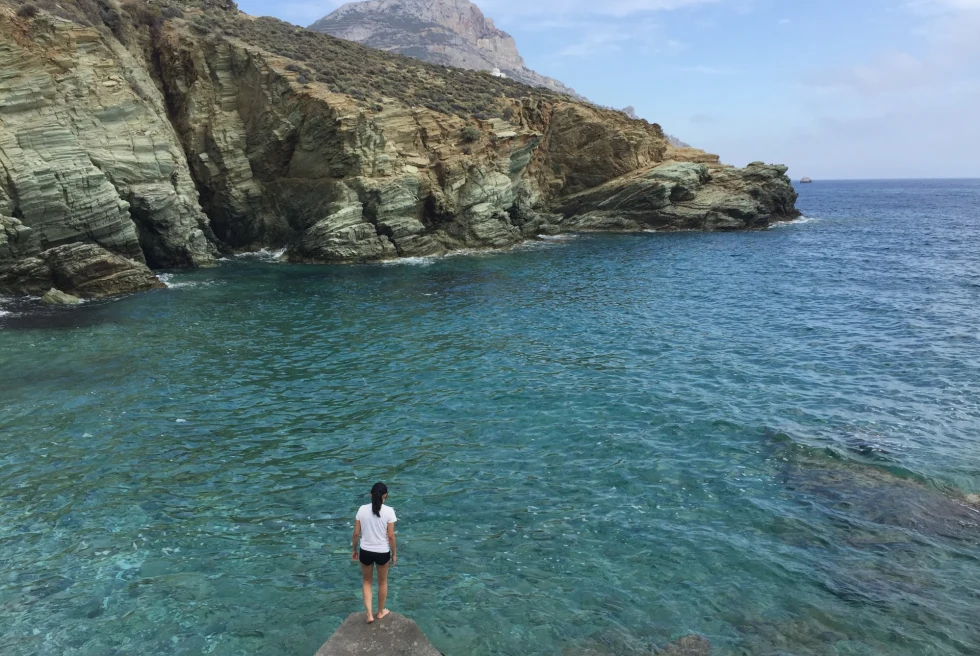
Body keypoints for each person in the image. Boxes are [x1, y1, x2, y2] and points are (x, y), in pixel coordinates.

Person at [351, 482, 397, 623]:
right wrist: (394, 553)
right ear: (385, 496)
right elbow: (390, 536)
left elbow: (356, 533)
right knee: (382, 582)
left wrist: (354, 549)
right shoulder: (389, 511)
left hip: (365, 551)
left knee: (366, 581)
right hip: (382, 552)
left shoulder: (362, 510)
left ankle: (369, 614)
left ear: (370, 495)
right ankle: (380, 612)